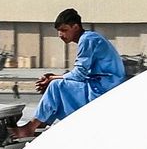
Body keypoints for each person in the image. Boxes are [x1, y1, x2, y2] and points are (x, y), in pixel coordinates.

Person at [10, 8, 124, 139]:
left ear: (75, 27)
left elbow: (79, 74)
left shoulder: (87, 39)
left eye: (64, 30)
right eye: (58, 31)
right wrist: (53, 77)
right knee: (58, 90)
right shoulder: (90, 38)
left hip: (104, 88)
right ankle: (38, 127)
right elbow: (80, 74)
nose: (60, 34)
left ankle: (30, 128)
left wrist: (52, 79)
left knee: (56, 87)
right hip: (100, 84)